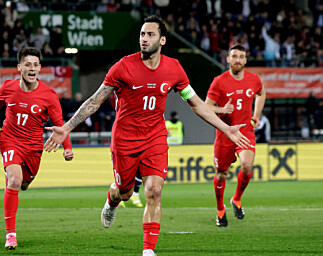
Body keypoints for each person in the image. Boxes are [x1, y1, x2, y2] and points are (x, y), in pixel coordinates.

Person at [44, 16, 250, 256]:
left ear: (162, 40)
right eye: (142, 34)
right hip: (125, 139)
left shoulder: (174, 68)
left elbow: (196, 104)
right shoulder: (123, 66)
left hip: (155, 139)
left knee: (154, 191)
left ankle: (148, 250)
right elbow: (95, 100)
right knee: (125, 192)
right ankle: (113, 199)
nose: (144, 38)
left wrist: (225, 128)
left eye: (150, 34)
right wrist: (67, 127)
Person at [0, 47, 74, 251]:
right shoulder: (7, 87)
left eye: (35, 65)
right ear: (19, 67)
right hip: (9, 140)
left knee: (23, 184)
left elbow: (60, 125)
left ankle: (16, 178)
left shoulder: (49, 95)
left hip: (33, 147)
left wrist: (67, 148)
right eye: (27, 64)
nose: (32, 68)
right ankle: (11, 235)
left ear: (40, 68)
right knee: (14, 180)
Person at [205, 44, 266, 227]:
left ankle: (236, 199)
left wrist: (257, 115)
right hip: (225, 133)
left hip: (245, 131)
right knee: (222, 175)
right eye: (234, 56)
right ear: (228, 59)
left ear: (245, 60)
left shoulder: (254, 79)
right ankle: (220, 208)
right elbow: (206, 106)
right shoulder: (219, 81)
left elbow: (261, 94)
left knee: (247, 166)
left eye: (241, 56)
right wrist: (222, 109)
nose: (238, 59)